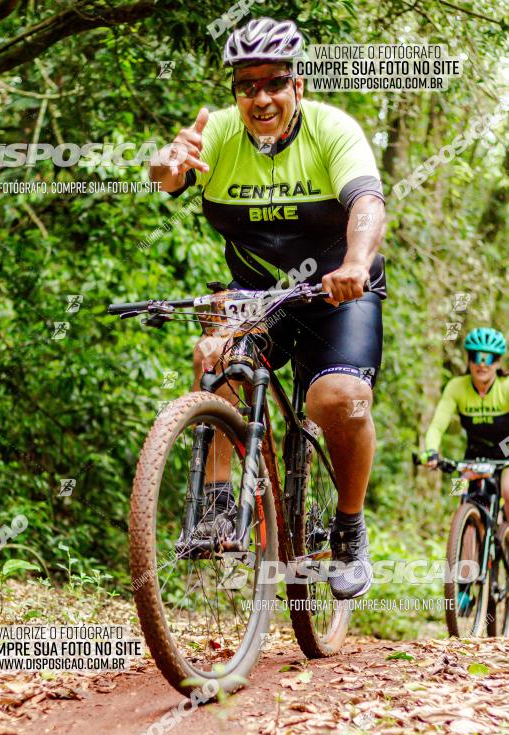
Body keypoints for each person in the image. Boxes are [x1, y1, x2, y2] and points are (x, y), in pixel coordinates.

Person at [150, 18, 387, 599]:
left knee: (339, 400)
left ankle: (350, 530)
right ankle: (217, 505)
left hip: (336, 295)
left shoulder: (334, 130)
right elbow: (164, 178)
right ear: (235, 91)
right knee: (214, 353)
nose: (261, 97)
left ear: (297, 86)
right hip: (259, 296)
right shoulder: (217, 135)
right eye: (247, 85)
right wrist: (165, 167)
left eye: (274, 83)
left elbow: (368, 204)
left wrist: (355, 262)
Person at [422, 328, 509, 509]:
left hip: (506, 447)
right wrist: (431, 451)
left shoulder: (506, 386)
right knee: (458, 489)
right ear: (469, 359)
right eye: (477, 357)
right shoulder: (457, 387)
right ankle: (463, 528)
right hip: (476, 451)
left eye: (489, 358)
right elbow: (437, 427)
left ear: (498, 362)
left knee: (508, 491)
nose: (482, 364)